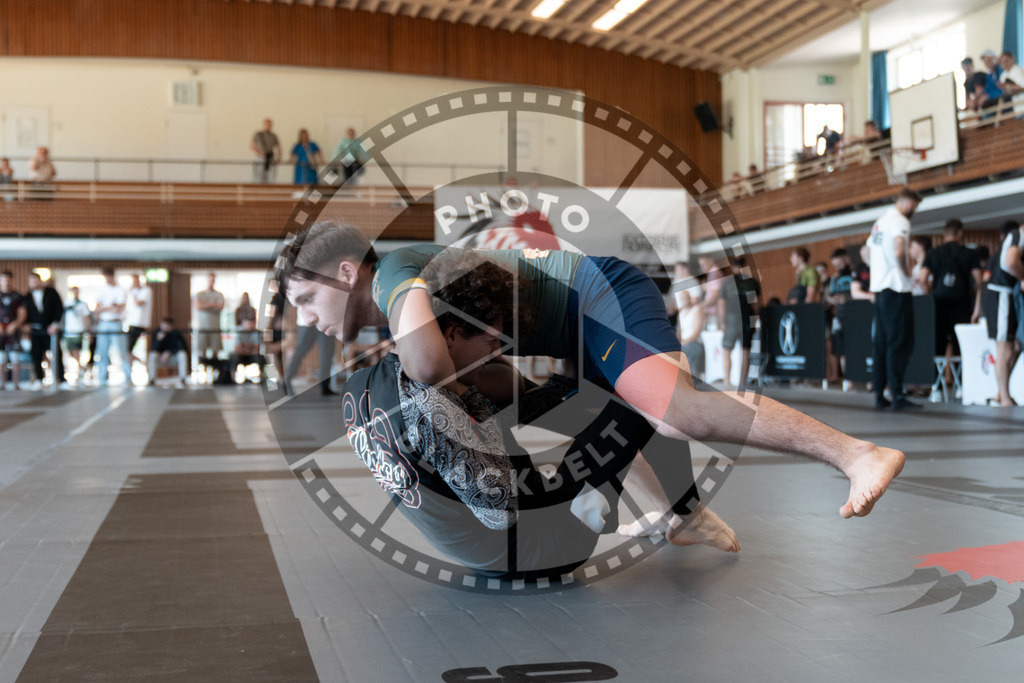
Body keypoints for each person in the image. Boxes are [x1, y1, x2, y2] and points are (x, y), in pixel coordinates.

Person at [279, 221, 906, 521]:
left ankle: (855, 453)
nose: (310, 320)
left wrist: (412, 384)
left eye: (306, 301)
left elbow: (425, 362)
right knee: (561, 404)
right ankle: (680, 520)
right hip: (565, 327)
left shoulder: (391, 274)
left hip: (595, 293)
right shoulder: (398, 294)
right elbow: (491, 383)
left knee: (676, 412)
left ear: (344, 273)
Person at [338, 255, 737, 579]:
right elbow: (500, 510)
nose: (497, 351)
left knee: (573, 401)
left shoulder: (359, 386)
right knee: (633, 402)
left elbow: (512, 407)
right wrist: (471, 398)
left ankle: (678, 511)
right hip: (544, 549)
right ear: (451, 333)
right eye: (491, 341)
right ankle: (683, 513)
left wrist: (541, 394)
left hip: (481, 552)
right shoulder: (434, 406)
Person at [868, 188, 922, 411]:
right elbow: (900, 251)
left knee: (881, 343)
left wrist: (878, 272)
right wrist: (905, 274)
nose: (914, 211)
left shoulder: (880, 221)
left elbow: (866, 251)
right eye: (915, 207)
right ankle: (898, 395)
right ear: (909, 203)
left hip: (880, 288)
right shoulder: (900, 220)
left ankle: (880, 394)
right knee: (899, 343)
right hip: (897, 288)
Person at [919, 220, 982, 362]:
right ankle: (961, 381)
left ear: (944, 233)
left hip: (939, 306)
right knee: (961, 346)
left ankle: (938, 382)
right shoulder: (969, 254)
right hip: (962, 306)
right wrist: (973, 296)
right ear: (960, 232)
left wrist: (929, 294)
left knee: (938, 344)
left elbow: (922, 279)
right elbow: (979, 281)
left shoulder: (932, 254)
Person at [982, 221, 1023, 406]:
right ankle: (1004, 398)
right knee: (1004, 349)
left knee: (1014, 347)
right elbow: (1011, 261)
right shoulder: (1018, 235)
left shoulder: (1013, 237)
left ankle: (1001, 393)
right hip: (1001, 295)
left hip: (1003, 296)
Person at [719, 256, 761, 389]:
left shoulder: (726, 282)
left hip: (731, 318)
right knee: (745, 351)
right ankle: (742, 382)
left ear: (732, 266)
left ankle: (727, 380)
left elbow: (721, 304)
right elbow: (757, 305)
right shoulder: (753, 282)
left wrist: (722, 322)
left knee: (727, 350)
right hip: (747, 318)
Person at [24, 271, 65, 390]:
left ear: (40, 281)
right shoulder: (27, 296)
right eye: (30, 281)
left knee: (56, 353)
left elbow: (59, 309)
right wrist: (26, 324)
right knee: (36, 354)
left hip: (50, 329)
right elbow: (25, 313)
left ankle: (61, 379)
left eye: (35, 280)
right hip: (35, 330)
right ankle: (39, 379)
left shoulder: (51, 293)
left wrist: (54, 324)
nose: (33, 283)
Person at [94, 266, 132, 386]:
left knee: (121, 352)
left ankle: (127, 377)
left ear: (112, 276)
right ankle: (102, 378)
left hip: (116, 323)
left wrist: (106, 308)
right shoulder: (102, 290)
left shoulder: (120, 290)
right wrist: (109, 307)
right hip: (103, 324)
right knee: (102, 352)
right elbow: (97, 309)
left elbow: (119, 308)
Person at [284, 309, 336, 396]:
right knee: (300, 352)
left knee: (327, 353)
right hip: (306, 321)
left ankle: (325, 386)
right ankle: (287, 380)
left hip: (325, 321)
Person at [824, 249, 854, 379]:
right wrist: (832, 299)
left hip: (854, 315)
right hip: (839, 315)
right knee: (841, 348)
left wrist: (847, 299)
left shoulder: (855, 274)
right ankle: (847, 377)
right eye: (835, 265)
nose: (838, 267)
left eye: (840, 264)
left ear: (846, 259)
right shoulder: (834, 278)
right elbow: (829, 295)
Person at [0, 270, 26, 391]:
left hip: (13, 331)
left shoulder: (17, 296)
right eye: (3, 279)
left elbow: (22, 313)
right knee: (1, 358)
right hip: (1, 332)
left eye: (8, 279)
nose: (6, 282)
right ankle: (2, 383)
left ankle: (16, 383)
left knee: (15, 357)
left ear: (11, 280)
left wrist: (15, 324)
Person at [62, 286, 92, 385]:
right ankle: (82, 367)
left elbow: (86, 318)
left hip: (78, 331)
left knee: (76, 352)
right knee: (70, 353)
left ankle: (79, 372)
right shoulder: (67, 303)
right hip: (68, 332)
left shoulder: (82, 305)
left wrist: (88, 331)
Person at [147, 318, 189, 388]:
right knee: (152, 355)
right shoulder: (156, 333)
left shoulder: (176, 333)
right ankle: (152, 379)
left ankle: (183, 378)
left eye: (167, 325)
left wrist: (169, 352)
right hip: (160, 359)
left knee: (182, 354)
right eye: (164, 324)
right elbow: (153, 349)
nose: (165, 327)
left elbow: (182, 347)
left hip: (173, 358)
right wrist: (158, 340)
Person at [194, 272, 225, 362]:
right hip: (203, 327)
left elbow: (220, 306)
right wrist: (213, 304)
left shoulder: (219, 295)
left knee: (215, 351)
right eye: (210, 279)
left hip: (215, 327)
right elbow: (199, 306)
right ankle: (204, 370)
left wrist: (206, 305)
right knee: (202, 351)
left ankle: (215, 371)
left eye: (213, 280)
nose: (211, 281)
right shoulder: (200, 294)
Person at [676, 289, 705, 381]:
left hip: (695, 343)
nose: (684, 300)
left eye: (686, 298)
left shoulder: (697, 311)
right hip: (684, 343)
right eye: (682, 298)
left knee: (685, 351)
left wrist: (683, 343)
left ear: (690, 298)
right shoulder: (681, 313)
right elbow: (679, 332)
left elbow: (696, 333)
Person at [125, 273, 153, 367]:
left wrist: (133, 292)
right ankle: (141, 364)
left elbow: (138, 303)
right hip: (131, 323)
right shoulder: (132, 292)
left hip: (139, 324)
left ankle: (144, 363)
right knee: (127, 350)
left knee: (127, 349)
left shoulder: (146, 290)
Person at [229, 317, 265, 383]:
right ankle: (232, 379)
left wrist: (244, 347)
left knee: (260, 357)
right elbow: (237, 349)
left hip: (251, 355)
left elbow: (257, 349)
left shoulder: (257, 333)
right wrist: (250, 348)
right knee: (233, 356)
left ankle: (262, 378)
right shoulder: (238, 332)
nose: (249, 325)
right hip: (242, 355)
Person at [251, 118, 281, 184]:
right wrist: (259, 154)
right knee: (258, 178)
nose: (268, 126)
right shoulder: (258, 135)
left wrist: (278, 158)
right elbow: (252, 146)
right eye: (267, 124)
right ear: (264, 125)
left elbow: (278, 147)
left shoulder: (273, 136)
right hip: (260, 158)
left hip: (270, 158)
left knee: (271, 177)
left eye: (270, 125)